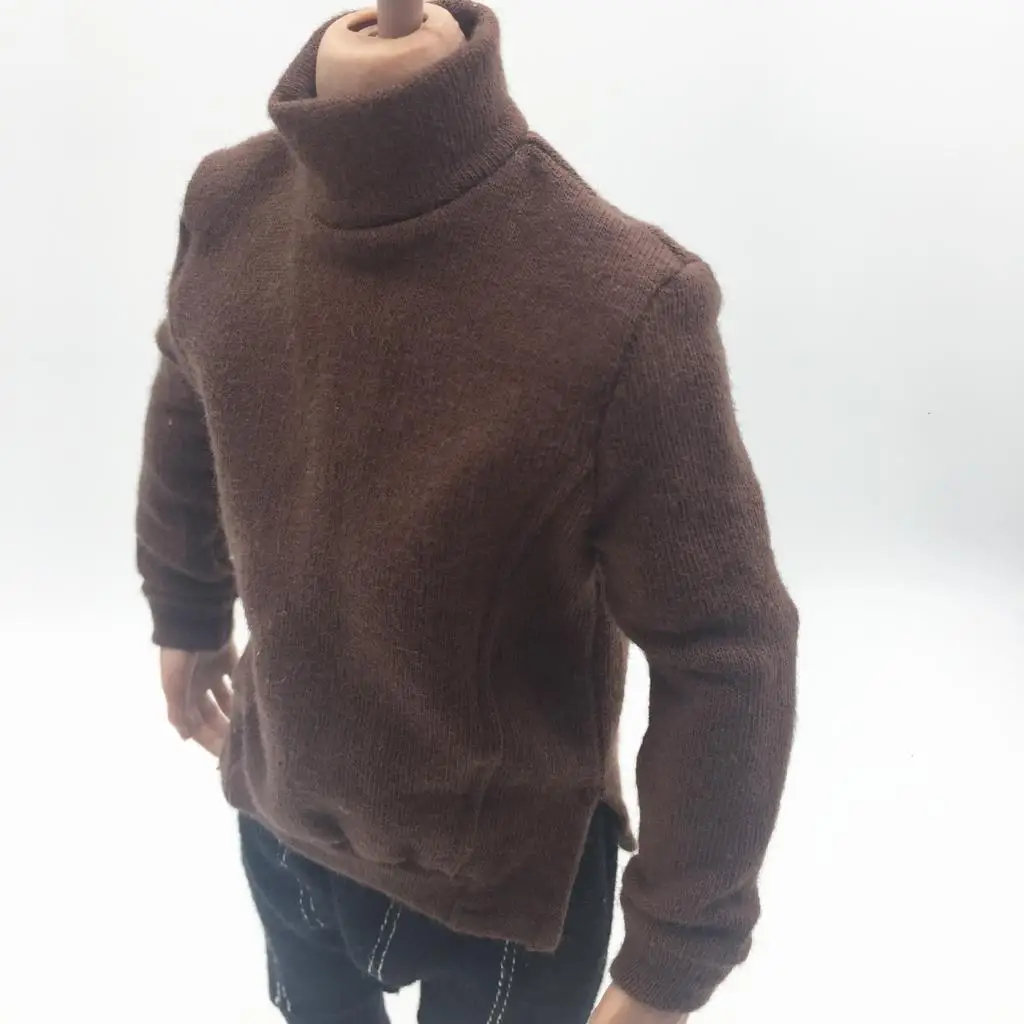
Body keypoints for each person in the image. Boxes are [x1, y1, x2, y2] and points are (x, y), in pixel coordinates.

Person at [137, 3, 798, 1022]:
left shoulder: (622, 304)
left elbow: (727, 646)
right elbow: (185, 387)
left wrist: (674, 951)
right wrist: (185, 605)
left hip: (506, 892)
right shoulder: (228, 204)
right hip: (281, 812)